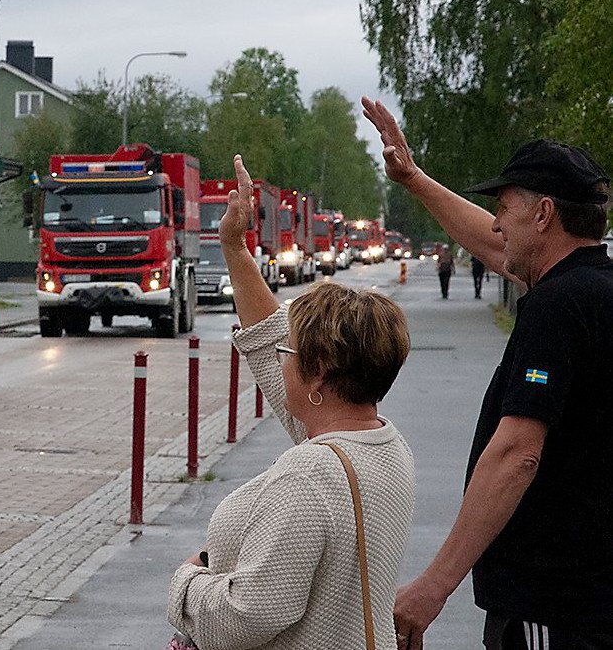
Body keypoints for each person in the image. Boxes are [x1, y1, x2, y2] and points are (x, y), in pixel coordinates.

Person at [362, 97, 613, 649]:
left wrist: (433, 586)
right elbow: (498, 247)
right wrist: (413, 179)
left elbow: (517, 452)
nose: (497, 223)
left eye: (504, 206)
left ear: (544, 214)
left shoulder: (558, 306)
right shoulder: (593, 286)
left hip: (556, 605)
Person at [167, 155, 415, 649]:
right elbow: (267, 337)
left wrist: (186, 585)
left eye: (289, 352)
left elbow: (246, 619)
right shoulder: (381, 446)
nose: (278, 359)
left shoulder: (309, 475)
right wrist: (235, 248)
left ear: (319, 374)